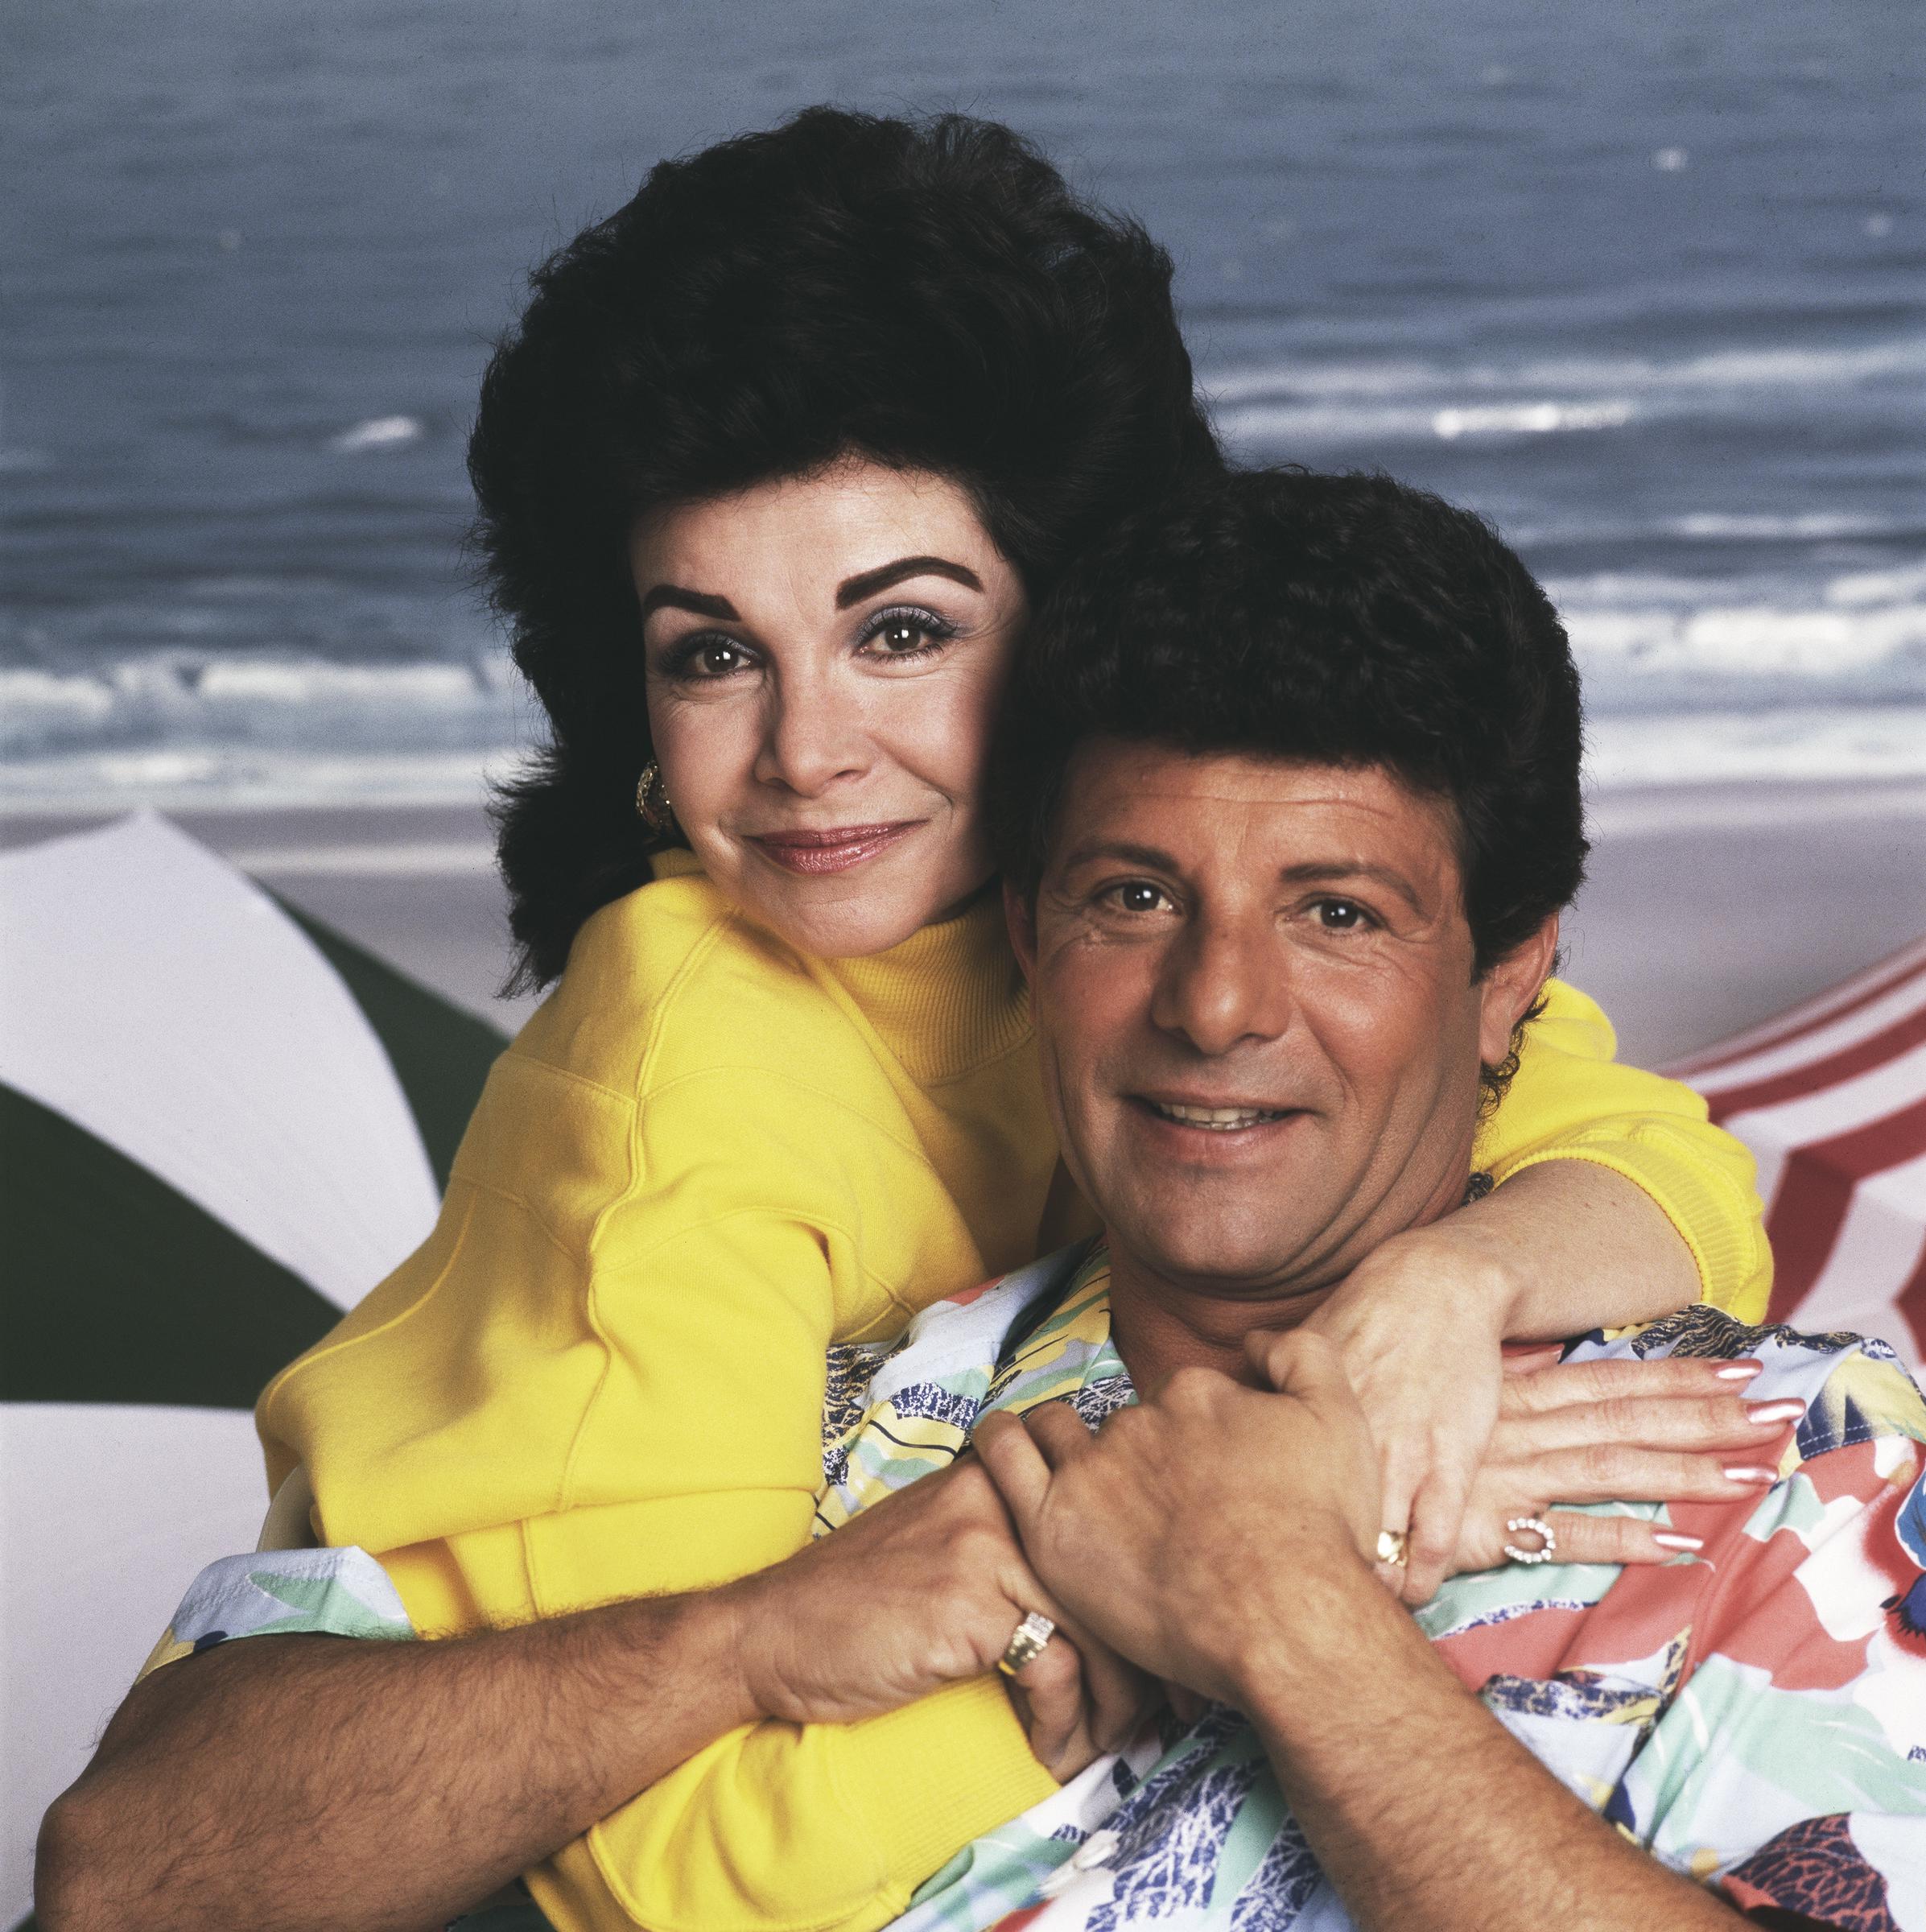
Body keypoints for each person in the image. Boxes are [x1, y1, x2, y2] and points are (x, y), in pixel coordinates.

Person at [38, 112, 1770, 1932]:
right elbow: (655, 1869)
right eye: (712, 651)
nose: (805, 752)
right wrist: (1155, 1620)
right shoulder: (692, 1073)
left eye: (902, 632)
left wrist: (1449, 1295)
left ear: (1070, 625)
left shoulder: (1157, 918)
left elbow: (1643, 1157)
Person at [823, 467, 1926, 1926]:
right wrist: (738, 1642)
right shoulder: (827, 1433)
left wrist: (1283, 1607)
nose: (1214, 1006)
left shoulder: (1806, 1472)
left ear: (1506, 978)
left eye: (1336, 914)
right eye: (1134, 898)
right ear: (1027, 938)